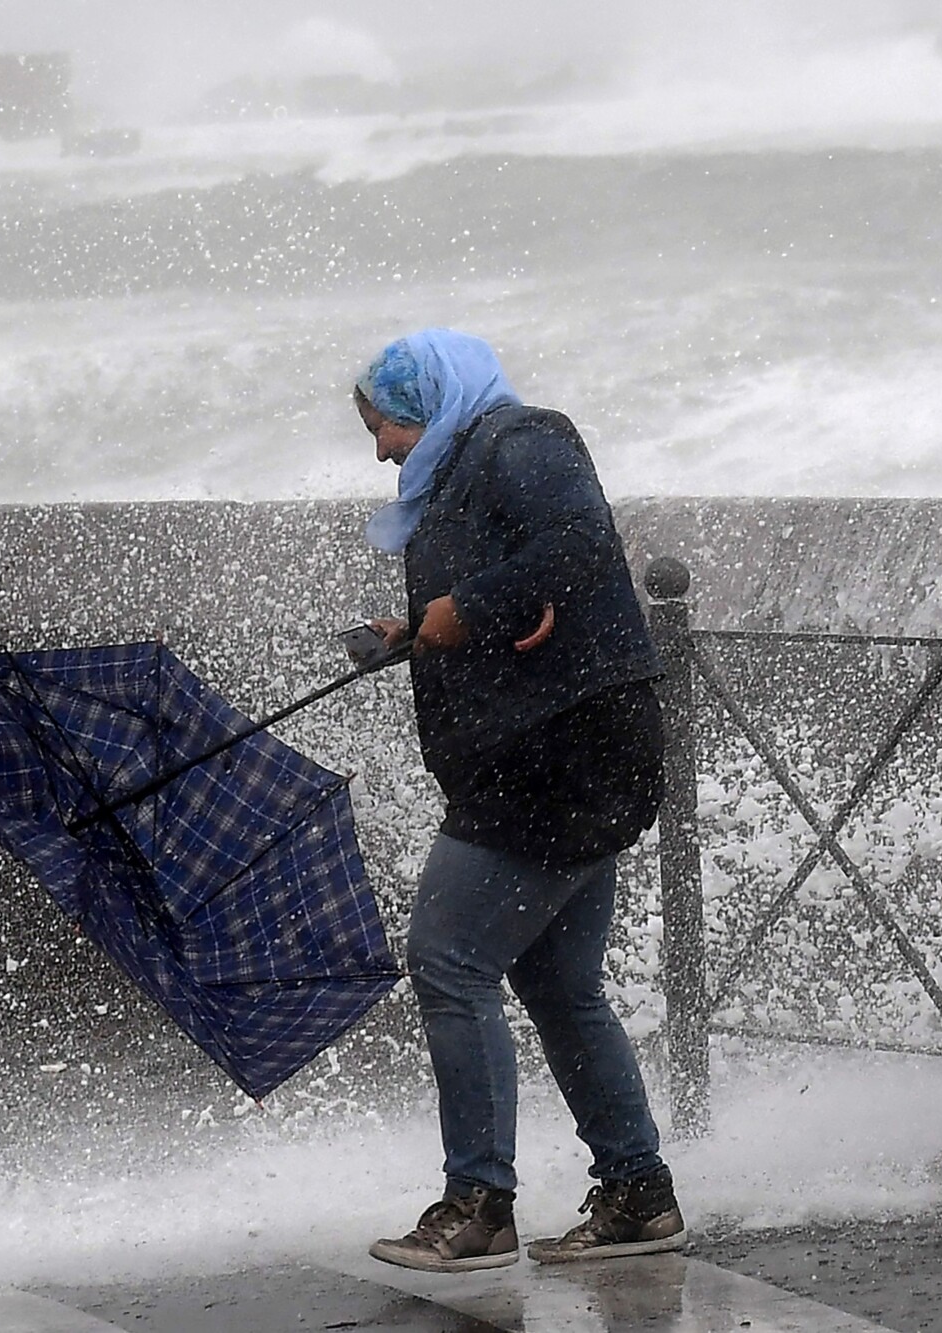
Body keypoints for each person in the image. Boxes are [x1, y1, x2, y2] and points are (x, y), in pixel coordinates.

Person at [353, 329, 686, 1272]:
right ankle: (638, 1193)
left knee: (448, 959)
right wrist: (417, 631)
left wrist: (474, 608)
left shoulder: (521, 438)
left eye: (384, 425)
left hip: (559, 755)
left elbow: (581, 542)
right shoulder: (458, 471)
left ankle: (478, 1207)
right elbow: (507, 592)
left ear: (432, 398)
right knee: (557, 982)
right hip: (556, 752)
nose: (379, 448)